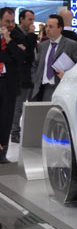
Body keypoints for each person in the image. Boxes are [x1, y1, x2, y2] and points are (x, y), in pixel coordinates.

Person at [31, 14, 77, 102]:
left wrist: (67, 74)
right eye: (46, 26)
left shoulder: (71, 45)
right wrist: (35, 79)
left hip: (62, 88)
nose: (47, 29)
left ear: (60, 29)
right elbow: (35, 64)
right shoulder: (42, 46)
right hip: (42, 89)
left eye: (51, 27)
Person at [0, 8, 26, 163]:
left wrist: (9, 40)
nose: (10, 24)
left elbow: (21, 56)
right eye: (6, 21)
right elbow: (13, 55)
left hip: (9, 84)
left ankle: (2, 154)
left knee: (6, 120)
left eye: (12, 21)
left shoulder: (17, 35)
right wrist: (10, 53)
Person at [10, 9, 37, 143]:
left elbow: (29, 52)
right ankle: (15, 132)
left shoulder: (25, 35)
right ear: (22, 19)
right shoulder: (16, 33)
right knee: (18, 106)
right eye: (30, 19)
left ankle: (29, 131)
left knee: (32, 105)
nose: (32, 22)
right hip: (21, 75)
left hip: (31, 74)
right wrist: (31, 35)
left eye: (33, 19)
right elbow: (27, 52)